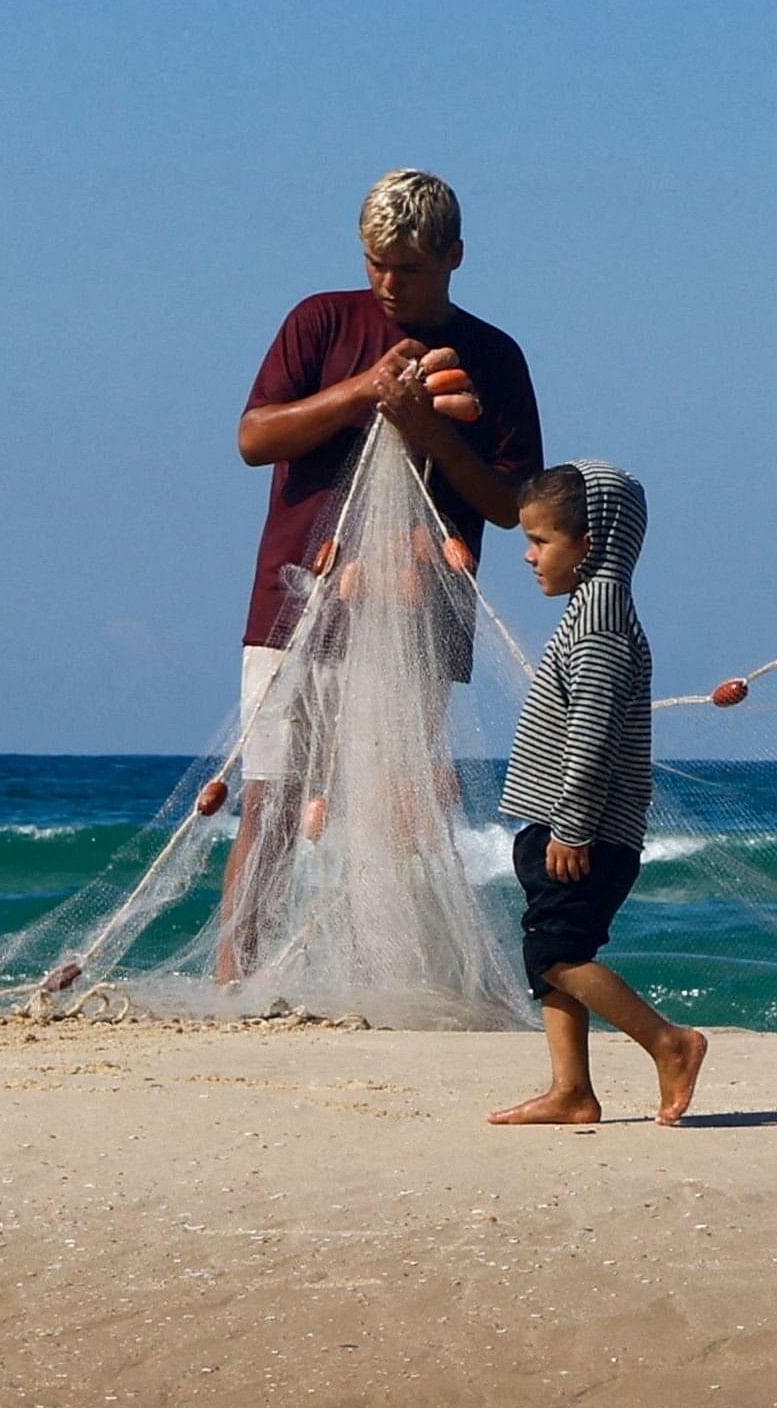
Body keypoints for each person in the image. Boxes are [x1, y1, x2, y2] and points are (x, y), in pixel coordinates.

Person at [217, 169, 543, 983]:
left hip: (417, 618)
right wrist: (363, 390)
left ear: (455, 257)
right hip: (295, 606)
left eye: (409, 268)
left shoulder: (494, 357)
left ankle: (386, 975)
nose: (388, 284)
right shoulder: (320, 322)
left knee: (396, 808)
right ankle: (235, 979)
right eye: (375, 263)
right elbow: (255, 437)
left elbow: (511, 504)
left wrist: (431, 432)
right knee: (273, 803)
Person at [486, 462, 706, 1128]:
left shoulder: (601, 622)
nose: (529, 556)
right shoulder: (590, 611)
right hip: (559, 824)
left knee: (556, 954)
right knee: (548, 953)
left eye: (542, 541)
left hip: (584, 830)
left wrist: (573, 826)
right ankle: (571, 1091)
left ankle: (669, 1041)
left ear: (592, 543)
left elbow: (593, 732)